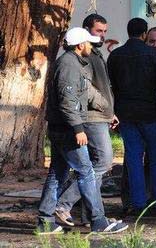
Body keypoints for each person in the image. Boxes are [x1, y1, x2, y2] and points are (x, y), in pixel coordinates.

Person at [38, 27, 128, 234]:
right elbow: (67, 101)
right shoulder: (69, 65)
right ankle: (98, 220)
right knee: (86, 172)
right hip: (67, 130)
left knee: (57, 173)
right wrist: (78, 129)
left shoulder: (72, 63)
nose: (91, 46)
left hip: (61, 127)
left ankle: (45, 220)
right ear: (80, 45)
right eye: (89, 43)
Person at [54, 14, 119, 227]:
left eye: (104, 32)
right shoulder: (81, 55)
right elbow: (85, 88)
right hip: (90, 117)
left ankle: (89, 216)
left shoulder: (94, 53)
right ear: (85, 32)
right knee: (100, 163)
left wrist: (110, 111)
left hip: (99, 115)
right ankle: (64, 204)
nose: (102, 35)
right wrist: (104, 106)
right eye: (98, 31)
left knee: (87, 167)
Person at [107, 18, 156, 216]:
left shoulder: (116, 56)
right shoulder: (153, 55)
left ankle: (137, 204)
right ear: (145, 34)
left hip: (126, 115)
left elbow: (112, 85)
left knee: (133, 160)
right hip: (151, 115)